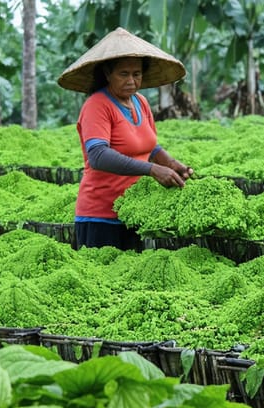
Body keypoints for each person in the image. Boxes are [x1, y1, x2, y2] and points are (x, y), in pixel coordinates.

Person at [57, 28, 195, 251]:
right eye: (124, 74)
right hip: (101, 216)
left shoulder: (140, 102)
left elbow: (148, 146)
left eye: (136, 74)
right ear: (107, 73)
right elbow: (98, 156)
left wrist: (169, 163)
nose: (131, 80)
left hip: (135, 211)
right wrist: (152, 170)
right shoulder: (97, 105)